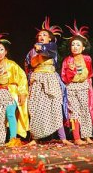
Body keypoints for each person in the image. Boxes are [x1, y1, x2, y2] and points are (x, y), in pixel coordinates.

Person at [25, 16, 72, 145]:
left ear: (50, 38)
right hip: (37, 80)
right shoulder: (31, 52)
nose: (41, 37)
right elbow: (29, 66)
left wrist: (40, 50)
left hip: (50, 79)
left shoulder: (52, 47)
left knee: (55, 107)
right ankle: (34, 138)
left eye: (44, 35)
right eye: (39, 35)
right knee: (35, 108)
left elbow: (48, 54)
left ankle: (63, 138)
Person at [61, 21, 93, 145]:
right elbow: (63, 76)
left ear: (83, 47)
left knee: (85, 110)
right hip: (71, 87)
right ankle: (76, 138)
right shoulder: (67, 60)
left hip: (84, 86)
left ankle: (87, 136)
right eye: (73, 45)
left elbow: (90, 74)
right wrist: (71, 76)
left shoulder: (87, 59)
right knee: (74, 112)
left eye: (77, 45)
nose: (75, 47)